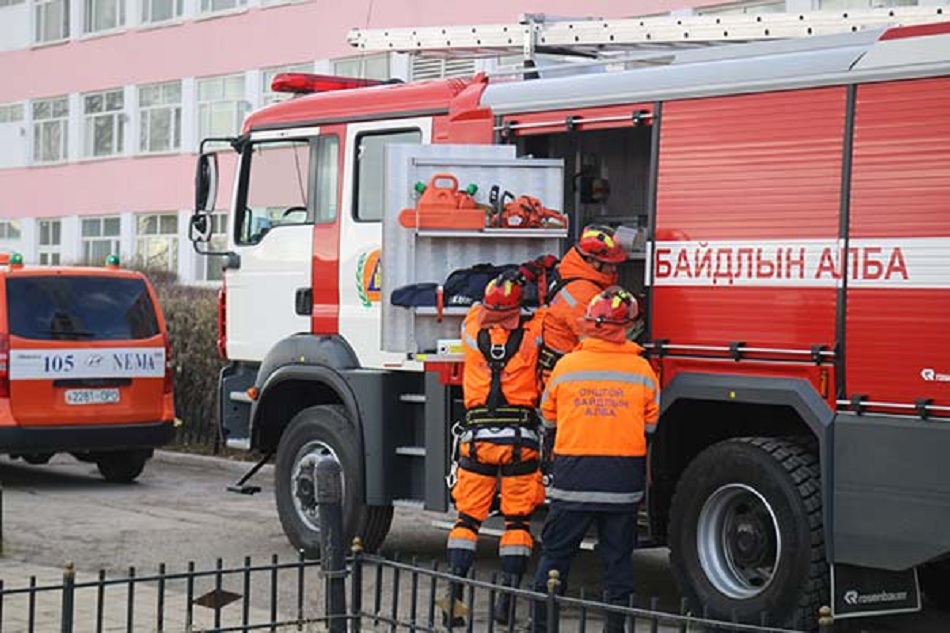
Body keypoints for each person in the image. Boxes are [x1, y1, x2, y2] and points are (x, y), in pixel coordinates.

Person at [531, 287, 660, 633]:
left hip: (574, 479)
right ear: (627, 327)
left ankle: (542, 625)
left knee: (556, 557)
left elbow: (548, 419)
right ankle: (615, 628)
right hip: (622, 482)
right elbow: (650, 425)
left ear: (590, 323)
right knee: (618, 562)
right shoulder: (642, 370)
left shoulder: (566, 366)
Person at [442, 270, 546, 626]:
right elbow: (546, 314)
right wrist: (533, 282)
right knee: (517, 522)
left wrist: (502, 283)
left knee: (467, 520)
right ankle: (506, 604)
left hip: (477, 440)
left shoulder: (472, 330)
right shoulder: (532, 335)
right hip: (519, 441)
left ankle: (453, 605)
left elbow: (478, 307)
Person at [538, 225, 627, 385]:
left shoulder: (572, 273)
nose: (614, 269)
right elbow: (595, 343)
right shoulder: (582, 292)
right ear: (591, 261)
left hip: (566, 371)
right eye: (609, 264)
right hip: (567, 378)